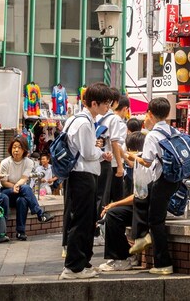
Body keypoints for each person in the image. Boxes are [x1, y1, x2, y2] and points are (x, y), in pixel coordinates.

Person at [136, 97, 190, 275]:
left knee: (156, 222)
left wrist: (131, 157)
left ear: (150, 114)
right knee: (151, 211)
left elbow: (146, 161)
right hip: (174, 181)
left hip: (162, 181)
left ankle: (163, 264)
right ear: (168, 114)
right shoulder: (174, 131)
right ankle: (142, 238)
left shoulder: (152, 135)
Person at [61, 82, 114, 280]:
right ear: (94, 103)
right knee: (82, 221)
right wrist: (102, 153)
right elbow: (88, 152)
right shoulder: (83, 123)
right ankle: (74, 267)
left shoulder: (77, 119)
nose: (107, 107)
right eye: (105, 103)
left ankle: (82, 262)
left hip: (82, 174)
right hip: (82, 175)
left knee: (85, 219)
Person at [98, 131, 149, 272]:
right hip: (143, 206)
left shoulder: (143, 164)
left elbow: (138, 195)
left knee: (113, 214)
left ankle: (122, 259)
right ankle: (121, 256)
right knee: (112, 214)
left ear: (133, 150)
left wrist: (114, 204)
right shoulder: (140, 162)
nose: (126, 153)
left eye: (127, 149)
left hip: (145, 209)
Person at [0, 137, 53, 241]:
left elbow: (24, 178)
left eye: (19, 147)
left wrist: (17, 185)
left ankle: (20, 232)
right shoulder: (5, 162)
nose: (16, 150)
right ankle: (40, 213)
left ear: (24, 149)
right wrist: (14, 186)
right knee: (26, 188)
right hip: (7, 191)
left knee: (22, 200)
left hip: (20, 189)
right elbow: (3, 182)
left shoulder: (29, 162)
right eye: (14, 147)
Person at [95, 93, 127, 231]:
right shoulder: (116, 120)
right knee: (115, 200)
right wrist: (122, 165)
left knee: (101, 198)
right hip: (112, 164)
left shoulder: (97, 117)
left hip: (99, 162)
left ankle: (98, 229)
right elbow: (116, 144)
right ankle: (104, 229)